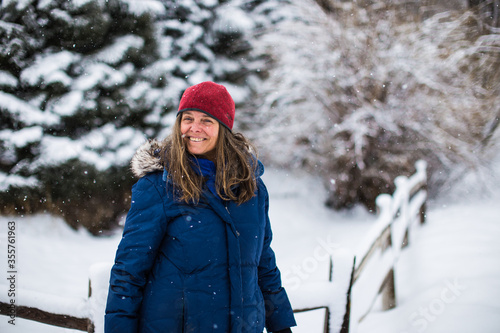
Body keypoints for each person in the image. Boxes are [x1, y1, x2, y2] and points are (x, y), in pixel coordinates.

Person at [105, 81, 296, 333]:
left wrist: (281, 325)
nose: (194, 128)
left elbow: (262, 264)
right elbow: (128, 271)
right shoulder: (159, 187)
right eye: (187, 118)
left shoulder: (252, 189)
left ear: (224, 128)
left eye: (207, 120)